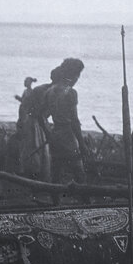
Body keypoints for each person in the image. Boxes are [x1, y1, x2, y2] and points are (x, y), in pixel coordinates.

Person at [44, 58, 88, 203]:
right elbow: (75, 121)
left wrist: (48, 133)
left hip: (55, 134)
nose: (78, 79)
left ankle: (55, 203)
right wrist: (82, 144)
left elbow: (40, 115)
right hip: (68, 136)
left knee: (56, 172)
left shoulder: (50, 91)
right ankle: (86, 203)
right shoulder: (71, 92)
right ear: (74, 75)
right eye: (78, 75)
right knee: (79, 172)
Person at [16, 75, 50, 180]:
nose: (25, 83)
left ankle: (33, 170)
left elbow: (27, 105)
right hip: (25, 118)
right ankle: (28, 169)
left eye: (26, 81)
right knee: (28, 144)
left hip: (28, 120)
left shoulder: (30, 92)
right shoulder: (26, 92)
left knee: (33, 144)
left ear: (30, 83)